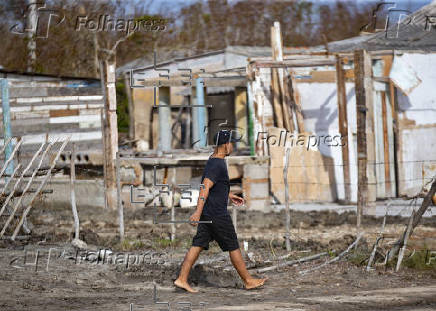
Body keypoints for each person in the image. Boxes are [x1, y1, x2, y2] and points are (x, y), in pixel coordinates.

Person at [174, 130, 268, 293]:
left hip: (209, 213)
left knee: (197, 245)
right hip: (217, 215)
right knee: (233, 245)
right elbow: (204, 187)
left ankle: (182, 279)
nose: (232, 146)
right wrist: (197, 212)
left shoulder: (213, 160)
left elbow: (215, 187)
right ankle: (248, 280)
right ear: (226, 144)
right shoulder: (217, 164)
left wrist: (228, 195)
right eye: (231, 143)